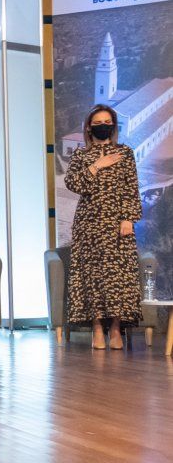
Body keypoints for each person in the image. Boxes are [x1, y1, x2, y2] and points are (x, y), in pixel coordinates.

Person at [63, 104, 142, 350]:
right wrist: (98, 165)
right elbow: (73, 184)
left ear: (114, 125)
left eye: (107, 121)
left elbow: (131, 187)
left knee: (118, 277)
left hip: (118, 224)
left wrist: (128, 218)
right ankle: (97, 327)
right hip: (89, 224)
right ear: (89, 127)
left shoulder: (125, 153)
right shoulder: (81, 155)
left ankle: (116, 328)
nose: (103, 126)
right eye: (98, 123)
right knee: (93, 276)